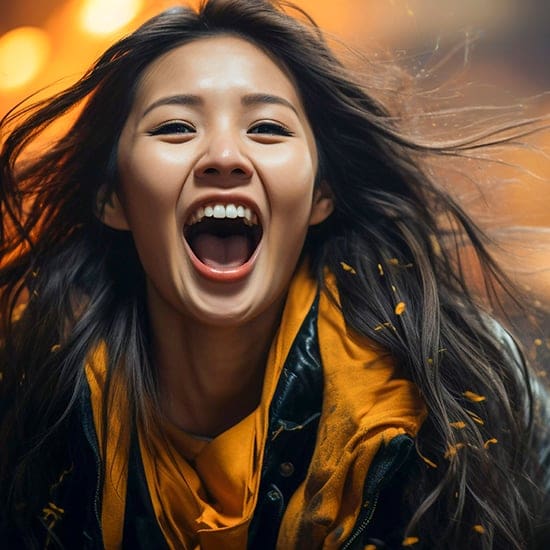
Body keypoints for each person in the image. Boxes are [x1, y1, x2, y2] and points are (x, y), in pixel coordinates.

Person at [0, 0, 548, 548]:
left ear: (321, 194)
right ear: (112, 197)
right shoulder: (28, 406)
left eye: (265, 127)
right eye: (174, 127)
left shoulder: (462, 396)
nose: (223, 155)